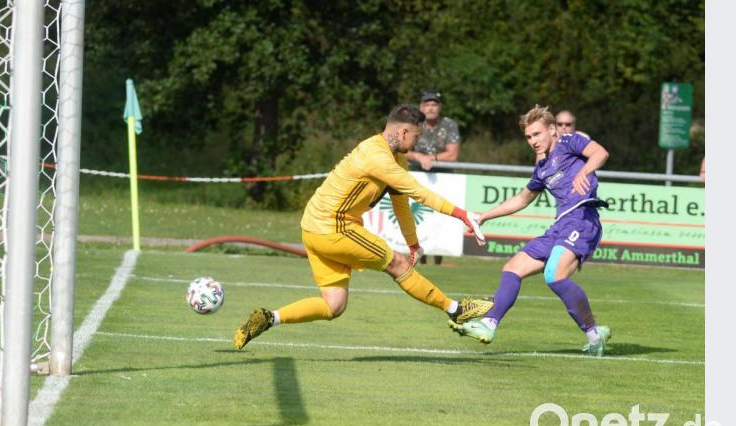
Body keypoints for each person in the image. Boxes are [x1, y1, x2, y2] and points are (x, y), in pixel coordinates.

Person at [234, 105, 494, 350]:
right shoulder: (377, 156)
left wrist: (413, 243)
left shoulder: (394, 158)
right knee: (397, 264)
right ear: (403, 132)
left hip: (312, 227)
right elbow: (419, 192)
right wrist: (462, 214)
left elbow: (402, 203)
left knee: (333, 305)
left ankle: (269, 318)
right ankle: (455, 310)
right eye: (416, 136)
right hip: (333, 228)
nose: (418, 143)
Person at [449, 105, 612, 357]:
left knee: (554, 276)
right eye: (528, 137)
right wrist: (484, 217)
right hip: (560, 224)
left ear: (552, 129)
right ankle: (489, 324)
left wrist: (584, 171)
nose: (533, 141)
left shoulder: (569, 141)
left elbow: (600, 152)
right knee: (512, 268)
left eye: (537, 134)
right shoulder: (542, 168)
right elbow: (522, 199)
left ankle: (594, 334)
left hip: (582, 218)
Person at [406, 90, 461, 265]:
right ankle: (418, 256)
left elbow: (452, 155)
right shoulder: (412, 123)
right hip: (416, 176)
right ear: (421, 107)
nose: (431, 108)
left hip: (442, 178)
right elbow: (401, 149)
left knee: (441, 216)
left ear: (440, 107)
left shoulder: (449, 124)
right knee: (416, 217)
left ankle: (438, 259)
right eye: (427, 104)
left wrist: (432, 158)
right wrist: (419, 157)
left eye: (434, 104)